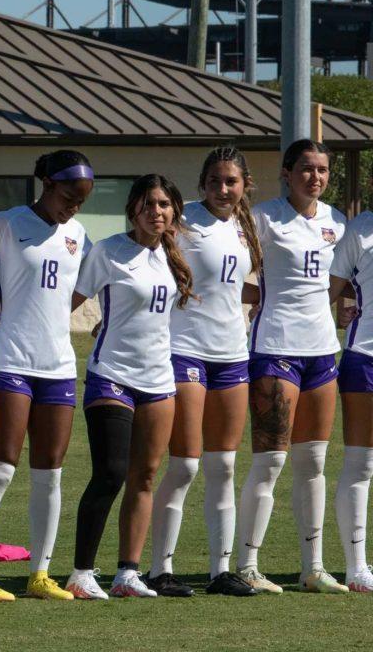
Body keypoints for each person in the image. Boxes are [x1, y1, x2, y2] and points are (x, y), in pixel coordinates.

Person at [0, 150, 93, 603]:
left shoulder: (79, 235)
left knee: (50, 475)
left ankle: (40, 574)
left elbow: (75, 294)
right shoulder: (6, 225)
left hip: (58, 367)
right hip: (10, 363)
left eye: (82, 200)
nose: (73, 207)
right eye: (68, 196)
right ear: (45, 182)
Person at [66, 174, 193, 599]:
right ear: (133, 210)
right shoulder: (109, 252)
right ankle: (82, 572)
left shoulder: (175, 258)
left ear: (173, 211)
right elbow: (68, 300)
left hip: (159, 380)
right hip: (112, 375)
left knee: (146, 476)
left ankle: (127, 574)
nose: (156, 212)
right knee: (111, 473)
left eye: (164, 205)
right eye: (148, 204)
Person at [145, 148, 261, 597]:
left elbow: (237, 285)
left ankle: (220, 571)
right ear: (202, 184)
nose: (224, 188)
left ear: (244, 185)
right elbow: (141, 250)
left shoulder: (247, 227)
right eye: (215, 180)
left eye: (232, 181)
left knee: (224, 464)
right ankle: (160, 569)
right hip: (184, 353)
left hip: (233, 355)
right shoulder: (182, 219)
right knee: (186, 464)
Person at [236, 139, 349, 594]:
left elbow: (343, 280)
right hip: (274, 350)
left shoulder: (336, 221)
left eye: (322, 170)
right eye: (305, 168)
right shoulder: (262, 217)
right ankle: (246, 565)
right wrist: (255, 298)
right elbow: (221, 269)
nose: (315, 177)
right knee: (271, 461)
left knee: (314, 462)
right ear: (287, 173)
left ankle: (313, 567)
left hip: (323, 353)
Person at [329, 182, 373, 593]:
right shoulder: (360, 229)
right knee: (361, 463)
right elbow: (328, 289)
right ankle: (356, 566)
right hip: (366, 358)